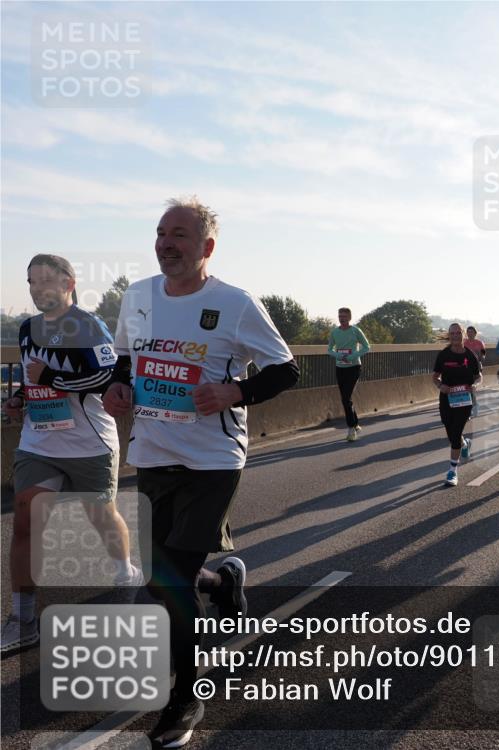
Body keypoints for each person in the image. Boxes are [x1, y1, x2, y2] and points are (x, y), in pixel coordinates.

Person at [104, 197, 299, 747]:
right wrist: (119, 386)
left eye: (180, 235)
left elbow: (287, 369)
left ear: (206, 247)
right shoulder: (137, 296)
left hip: (213, 460)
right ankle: (225, 580)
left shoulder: (234, 304)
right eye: (162, 232)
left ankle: (185, 696)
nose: (167, 242)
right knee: (160, 575)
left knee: (167, 577)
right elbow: (125, 359)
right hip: (153, 452)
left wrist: (236, 390)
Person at [1, 255, 143, 655]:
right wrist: (19, 397)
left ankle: (125, 573)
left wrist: (51, 378)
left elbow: (105, 376)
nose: (38, 288)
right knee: (25, 519)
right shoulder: (28, 329)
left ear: (69, 283)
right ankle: (24, 618)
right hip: (39, 441)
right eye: (32, 281)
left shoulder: (87, 325)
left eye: (47, 280)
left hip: (89, 443)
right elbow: (32, 375)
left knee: (100, 516)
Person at [433, 324, 483, 486]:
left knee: (455, 434)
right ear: (449, 335)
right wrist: (441, 386)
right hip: (447, 399)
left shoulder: (470, 355)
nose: (455, 336)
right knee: (450, 431)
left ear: (463, 334)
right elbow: (435, 377)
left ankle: (452, 471)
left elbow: (478, 376)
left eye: (457, 333)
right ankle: (464, 443)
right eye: (452, 333)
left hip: (464, 400)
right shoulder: (443, 355)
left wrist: (475, 385)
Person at [327, 308, 371, 442]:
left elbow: (367, 346)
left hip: (354, 368)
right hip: (340, 368)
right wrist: (338, 355)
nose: (342, 318)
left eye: (344, 316)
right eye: (340, 316)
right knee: (346, 398)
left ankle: (351, 429)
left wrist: (353, 356)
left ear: (349, 318)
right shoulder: (334, 332)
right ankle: (356, 423)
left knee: (346, 398)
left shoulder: (355, 330)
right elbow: (329, 350)